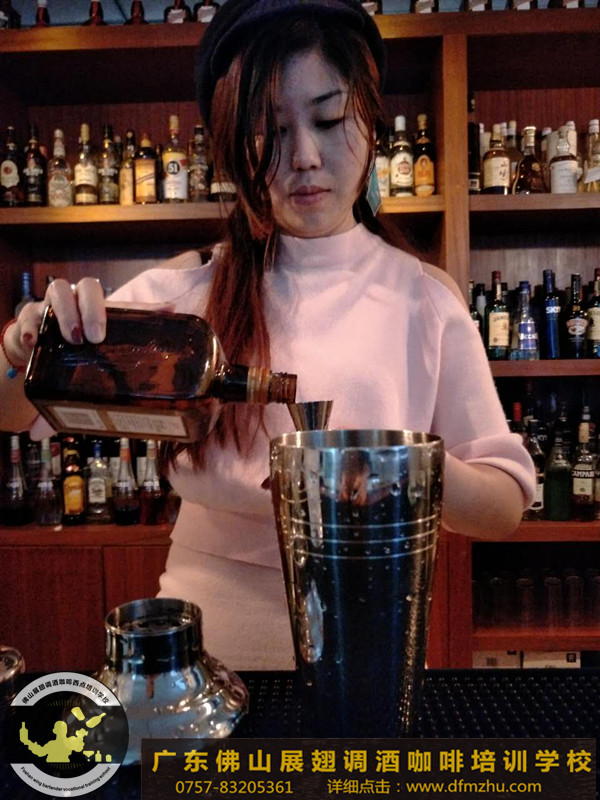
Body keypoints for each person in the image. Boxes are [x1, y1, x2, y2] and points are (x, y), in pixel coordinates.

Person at [0, 0, 535, 670]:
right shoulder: (190, 290)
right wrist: (23, 348)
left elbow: (504, 505)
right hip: (201, 659)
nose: (305, 157)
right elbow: (14, 412)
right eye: (269, 131)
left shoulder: (425, 298)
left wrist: (396, 468)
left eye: (329, 120)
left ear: (371, 122)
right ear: (233, 147)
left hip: (370, 651)